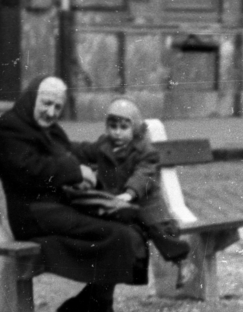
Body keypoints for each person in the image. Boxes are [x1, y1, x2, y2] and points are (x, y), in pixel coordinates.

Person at [0, 76, 148, 312]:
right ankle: (91, 309)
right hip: (34, 214)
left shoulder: (48, 129)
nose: (51, 112)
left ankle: (90, 309)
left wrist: (106, 149)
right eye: (46, 104)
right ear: (32, 97)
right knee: (112, 231)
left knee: (127, 224)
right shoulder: (9, 127)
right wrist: (76, 172)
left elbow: (68, 151)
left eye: (57, 107)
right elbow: (29, 170)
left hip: (58, 208)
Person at [78, 97, 192, 266]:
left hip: (146, 204)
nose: (117, 132)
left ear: (135, 128)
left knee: (160, 231)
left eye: (124, 127)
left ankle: (182, 261)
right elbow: (85, 151)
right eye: (113, 126)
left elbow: (144, 174)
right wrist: (64, 149)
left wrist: (130, 193)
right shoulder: (104, 145)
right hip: (119, 205)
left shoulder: (145, 151)